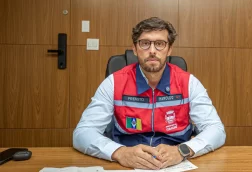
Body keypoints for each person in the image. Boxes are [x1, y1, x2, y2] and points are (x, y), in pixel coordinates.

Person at [73, 17, 226, 169]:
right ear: (134, 48)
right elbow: (83, 133)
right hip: (126, 163)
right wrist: (120, 152)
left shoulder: (189, 83)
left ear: (169, 49)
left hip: (176, 162)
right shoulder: (114, 82)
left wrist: (182, 151)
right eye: (145, 43)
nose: (152, 51)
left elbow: (216, 130)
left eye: (160, 44)